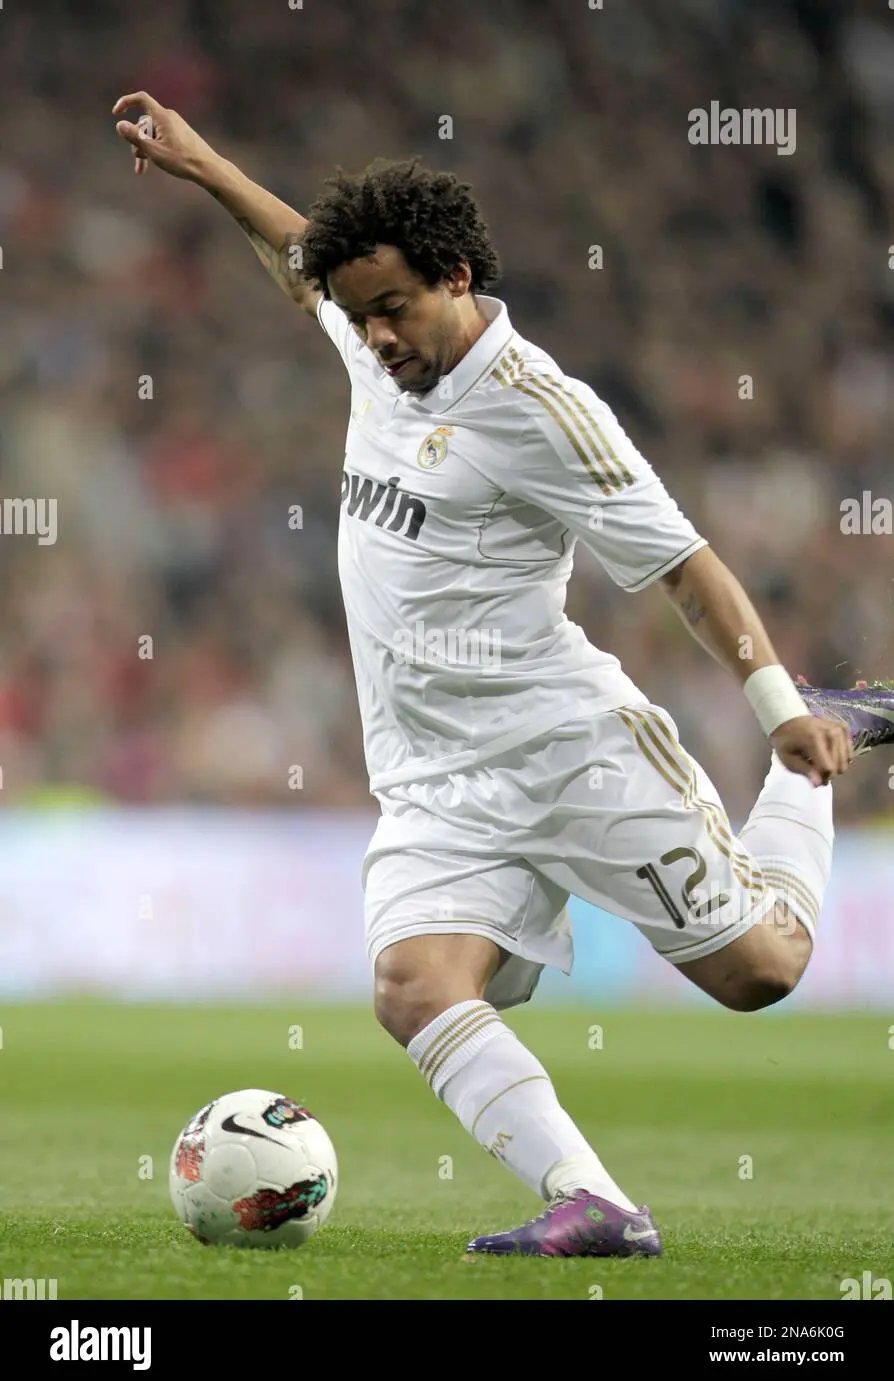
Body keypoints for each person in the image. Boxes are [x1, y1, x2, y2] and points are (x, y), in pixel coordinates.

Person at [113, 93, 894, 1258]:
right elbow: (298, 263)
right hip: (433, 780)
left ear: (457, 276)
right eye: (360, 314)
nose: (372, 337)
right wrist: (207, 164)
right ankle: (596, 1204)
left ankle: (820, 753)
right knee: (414, 985)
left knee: (762, 972)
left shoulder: (546, 414)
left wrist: (778, 706)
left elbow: (687, 568)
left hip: (565, 747)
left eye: (392, 311)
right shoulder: (377, 344)